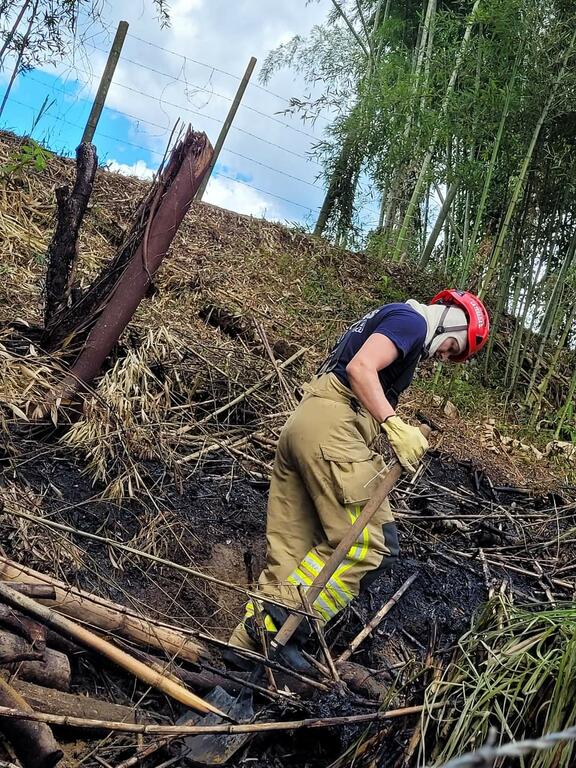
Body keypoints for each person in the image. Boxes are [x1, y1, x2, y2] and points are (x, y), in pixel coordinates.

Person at [228, 289, 489, 662]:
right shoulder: (412, 321)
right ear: (454, 318)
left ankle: (241, 655)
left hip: (305, 424)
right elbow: (360, 369)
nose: (446, 355)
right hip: (334, 428)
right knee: (370, 544)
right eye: (454, 346)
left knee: (292, 552)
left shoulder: (388, 319)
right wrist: (394, 424)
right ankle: (278, 624)